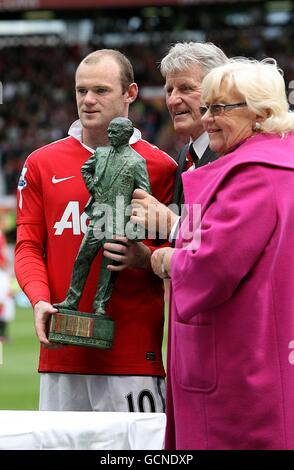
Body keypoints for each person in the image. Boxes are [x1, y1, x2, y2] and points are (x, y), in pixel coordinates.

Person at [15, 49, 177, 412]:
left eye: (101, 90)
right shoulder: (41, 163)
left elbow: (182, 254)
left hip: (133, 359)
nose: (87, 100)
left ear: (130, 93)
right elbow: (27, 245)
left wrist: (145, 257)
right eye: (80, 90)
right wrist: (40, 299)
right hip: (60, 353)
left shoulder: (162, 167)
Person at [151, 57, 294, 449]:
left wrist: (165, 259)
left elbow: (211, 265)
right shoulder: (282, 165)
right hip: (270, 352)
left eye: (220, 108)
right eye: (208, 106)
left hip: (238, 363)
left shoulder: (253, 173)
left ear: (261, 112)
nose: (207, 118)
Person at [131, 42, 228, 239]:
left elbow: (226, 246)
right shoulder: (186, 154)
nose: (173, 100)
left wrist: (171, 224)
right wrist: (146, 258)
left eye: (186, 89)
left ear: (218, 91)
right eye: (169, 90)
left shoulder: (233, 155)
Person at [55, 117, 151, 317]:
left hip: (118, 221)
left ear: (126, 134)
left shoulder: (136, 161)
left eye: (114, 132)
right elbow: (85, 169)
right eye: (109, 131)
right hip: (98, 217)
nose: (109, 135)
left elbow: (144, 196)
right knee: (82, 257)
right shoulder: (101, 153)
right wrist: (93, 188)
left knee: (109, 268)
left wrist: (136, 226)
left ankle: (100, 305)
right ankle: (72, 300)